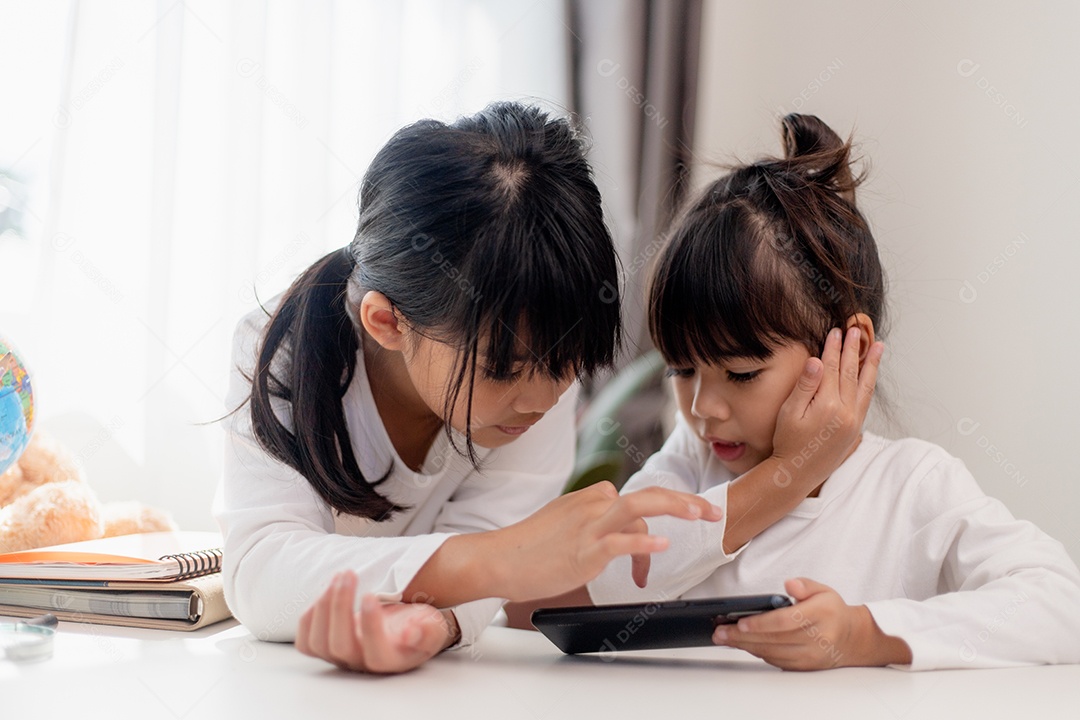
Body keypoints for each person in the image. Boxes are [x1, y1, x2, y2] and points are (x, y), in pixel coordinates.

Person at [216, 102, 874, 676]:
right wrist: (496, 562)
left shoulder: (530, 387)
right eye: (502, 368)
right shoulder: (278, 349)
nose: (541, 398)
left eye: (564, 364)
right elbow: (261, 573)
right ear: (388, 322)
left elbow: (485, 570)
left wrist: (429, 627)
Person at [584, 113, 1080, 671]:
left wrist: (865, 635)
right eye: (681, 370)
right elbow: (612, 582)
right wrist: (788, 474)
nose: (703, 408)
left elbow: (1060, 605)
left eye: (742, 374)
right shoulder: (690, 465)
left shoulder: (912, 484)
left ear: (850, 348)